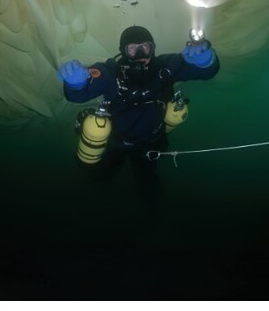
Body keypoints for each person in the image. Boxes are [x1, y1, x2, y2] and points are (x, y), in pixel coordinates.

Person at [56, 25, 219, 201]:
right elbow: (80, 95)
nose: (141, 54)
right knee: (103, 174)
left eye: (145, 47)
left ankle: (153, 215)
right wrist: (76, 84)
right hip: (117, 143)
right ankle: (100, 200)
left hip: (151, 142)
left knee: (147, 180)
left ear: (153, 48)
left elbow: (206, 72)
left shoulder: (165, 68)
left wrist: (206, 62)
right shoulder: (111, 73)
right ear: (123, 51)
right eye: (133, 48)